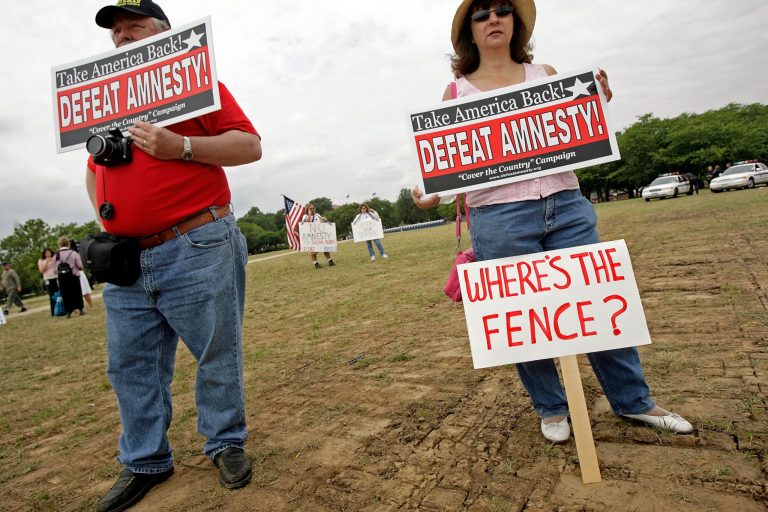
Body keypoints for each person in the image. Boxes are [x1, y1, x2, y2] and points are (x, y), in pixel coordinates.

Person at [412, 0, 693, 444]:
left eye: (502, 9)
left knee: (599, 305)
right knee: (523, 318)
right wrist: (431, 193)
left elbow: (578, 131)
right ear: (470, 29)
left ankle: (634, 402)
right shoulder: (456, 92)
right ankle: (552, 408)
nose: (493, 19)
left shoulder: (547, 74)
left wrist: (595, 102)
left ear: (516, 21)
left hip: (565, 203)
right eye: (481, 14)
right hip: (498, 216)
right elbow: (454, 165)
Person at [85, 2, 262, 511]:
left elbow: (249, 145)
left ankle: (225, 442)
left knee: (216, 352)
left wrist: (179, 146)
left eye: (134, 26)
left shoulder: (196, 84)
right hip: (126, 257)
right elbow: (93, 169)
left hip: (197, 241)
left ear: (164, 35)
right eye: (116, 33)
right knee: (131, 366)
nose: (122, 37)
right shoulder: (103, 104)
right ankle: (144, 460)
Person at [55, 236, 85, 318]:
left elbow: (55, 268)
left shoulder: (57, 254)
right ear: (68, 243)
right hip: (74, 275)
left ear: (59, 244)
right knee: (77, 293)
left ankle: (68, 312)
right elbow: (80, 265)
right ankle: (80, 309)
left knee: (65, 294)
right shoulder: (73, 253)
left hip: (62, 277)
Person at [301, 203, 336, 269]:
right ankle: (316, 263)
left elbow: (322, 224)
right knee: (313, 251)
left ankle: (330, 261)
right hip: (311, 236)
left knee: (325, 248)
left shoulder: (317, 215)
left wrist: (325, 220)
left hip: (319, 235)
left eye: (313, 208)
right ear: (307, 209)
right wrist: (309, 215)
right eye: (310, 208)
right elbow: (307, 223)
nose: (312, 209)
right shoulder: (305, 216)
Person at [38, 248, 59, 316]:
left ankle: (61, 309)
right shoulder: (41, 260)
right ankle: (53, 311)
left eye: (49, 253)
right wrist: (46, 262)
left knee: (59, 293)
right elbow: (42, 270)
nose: (48, 254)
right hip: (48, 279)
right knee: (52, 295)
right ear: (44, 254)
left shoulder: (54, 258)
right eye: (46, 253)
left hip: (56, 277)